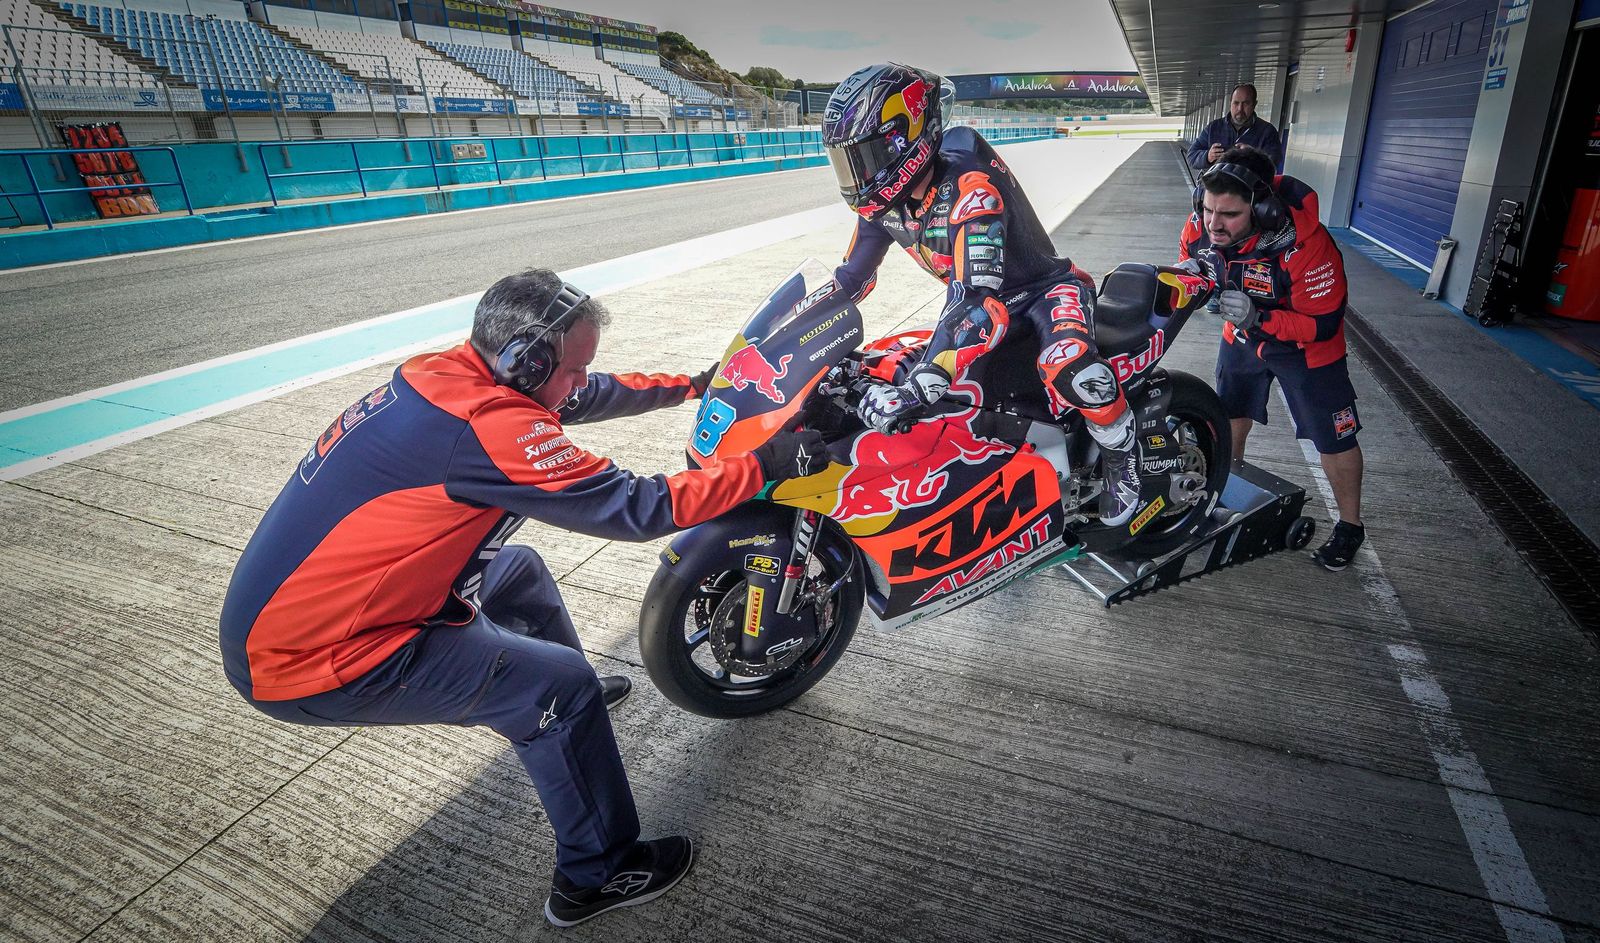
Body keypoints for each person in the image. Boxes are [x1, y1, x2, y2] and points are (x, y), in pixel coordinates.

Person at [218, 269, 827, 926]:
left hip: (311, 609)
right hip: (316, 658)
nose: (578, 383)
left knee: (520, 574)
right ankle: (596, 874)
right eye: (571, 368)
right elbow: (637, 507)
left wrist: (695, 385)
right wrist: (763, 465)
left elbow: (587, 393)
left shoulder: (444, 375)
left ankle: (570, 712)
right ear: (528, 361)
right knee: (558, 687)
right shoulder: (489, 428)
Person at [822, 62, 1144, 525]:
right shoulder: (883, 207)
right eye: (846, 162)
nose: (857, 174)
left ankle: (1122, 452)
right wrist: (784, 343)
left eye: (865, 157)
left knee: (1070, 366)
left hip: (1043, 292)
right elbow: (849, 281)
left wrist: (920, 386)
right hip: (979, 304)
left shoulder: (972, 189)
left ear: (905, 139)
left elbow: (976, 299)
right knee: (889, 361)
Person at [1177, 145, 1367, 570]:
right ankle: (1224, 491)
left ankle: (1350, 526)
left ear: (1263, 210)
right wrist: (1194, 282)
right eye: (1208, 209)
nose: (1213, 223)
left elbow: (1323, 324)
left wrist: (1260, 317)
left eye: (1229, 214)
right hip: (1242, 337)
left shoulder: (1309, 245)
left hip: (1307, 352)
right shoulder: (1201, 222)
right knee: (1228, 415)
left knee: (1333, 438)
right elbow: (1191, 259)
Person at [1186, 83, 1283, 172]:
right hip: (1214, 184)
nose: (1240, 108)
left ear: (1254, 104)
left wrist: (1253, 155)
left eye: (1246, 103)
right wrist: (1208, 156)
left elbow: (1273, 165)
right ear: (1230, 103)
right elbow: (1191, 156)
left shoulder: (1267, 131)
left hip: (1249, 185)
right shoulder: (1213, 128)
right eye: (1236, 103)